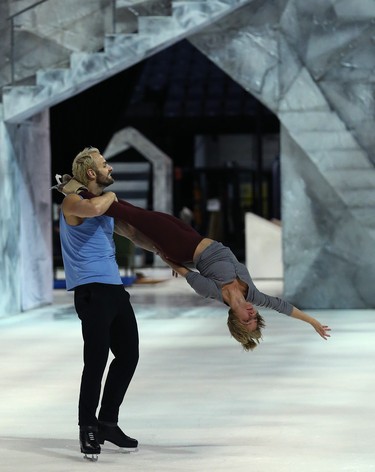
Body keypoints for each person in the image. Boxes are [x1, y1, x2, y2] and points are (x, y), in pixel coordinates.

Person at [55, 147, 331, 353]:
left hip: (181, 244)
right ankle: (86, 194)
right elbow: (283, 307)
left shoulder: (213, 292)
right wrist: (312, 322)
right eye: (255, 317)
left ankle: (75, 188)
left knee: (131, 215)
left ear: (236, 319)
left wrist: (166, 255)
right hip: (192, 236)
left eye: (247, 320)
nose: (252, 314)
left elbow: (185, 272)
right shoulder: (253, 293)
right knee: (131, 220)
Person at [58, 147, 139, 459]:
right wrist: (113, 199)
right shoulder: (73, 202)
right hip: (91, 291)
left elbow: (133, 233)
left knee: (128, 355)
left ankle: (107, 421)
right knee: (96, 360)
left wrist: (167, 252)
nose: (110, 167)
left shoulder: (102, 207)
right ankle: (87, 428)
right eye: (104, 164)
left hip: (115, 290)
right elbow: (93, 210)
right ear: (91, 173)